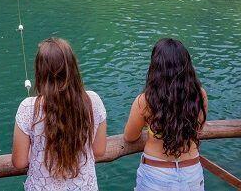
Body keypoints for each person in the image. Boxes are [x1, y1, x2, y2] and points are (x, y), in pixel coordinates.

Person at [12, 37, 107, 190]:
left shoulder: (28, 108)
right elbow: (99, 150)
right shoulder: (93, 101)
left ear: (39, 71)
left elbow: (19, 162)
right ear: (73, 68)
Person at [124, 38, 208, 191]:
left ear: (155, 67)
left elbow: (130, 136)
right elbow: (198, 129)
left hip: (156, 174)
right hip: (192, 172)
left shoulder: (145, 100)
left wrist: (151, 129)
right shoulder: (199, 95)